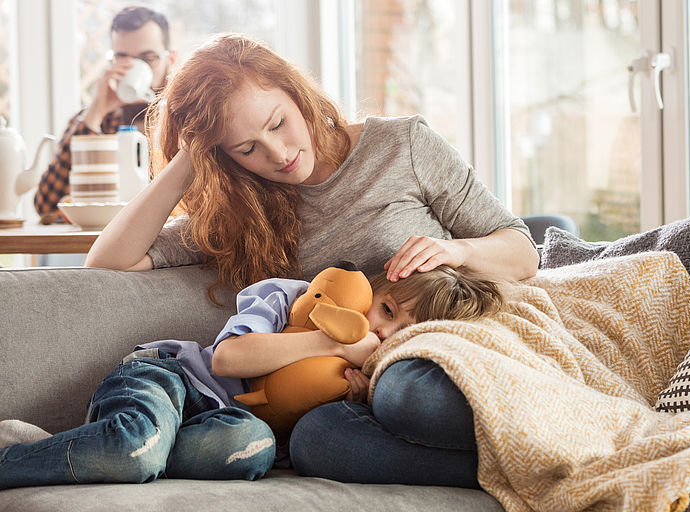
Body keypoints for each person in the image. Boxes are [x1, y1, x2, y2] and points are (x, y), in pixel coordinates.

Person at [83, 34, 538, 488]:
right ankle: (509, 473)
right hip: (345, 393)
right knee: (315, 441)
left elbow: (523, 252)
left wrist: (459, 250)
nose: (277, 154)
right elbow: (108, 263)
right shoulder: (243, 213)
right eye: (246, 148)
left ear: (297, 94)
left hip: (434, 358)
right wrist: (190, 156)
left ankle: (517, 463)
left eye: (278, 123)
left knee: (406, 396)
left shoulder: (403, 147)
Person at [0, 264, 507, 489]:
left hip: (222, 429)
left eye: (398, 332)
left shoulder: (371, 381)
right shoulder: (294, 298)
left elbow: (309, 429)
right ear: (372, 286)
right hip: (170, 380)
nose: (379, 327)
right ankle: (21, 455)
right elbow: (227, 361)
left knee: (251, 449)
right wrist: (327, 340)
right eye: (387, 307)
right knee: (136, 446)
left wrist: (357, 395)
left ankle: (89, 447)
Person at [34, 6, 176, 224]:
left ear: (171, 60)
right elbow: (46, 205)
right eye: (122, 58)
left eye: (147, 59)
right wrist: (95, 113)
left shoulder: (186, 121)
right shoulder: (96, 121)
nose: (133, 68)